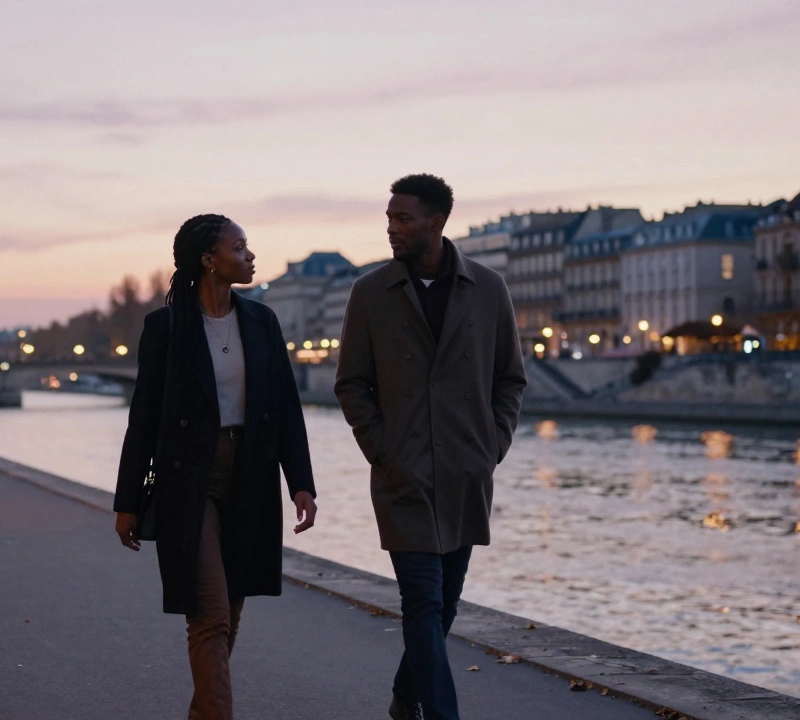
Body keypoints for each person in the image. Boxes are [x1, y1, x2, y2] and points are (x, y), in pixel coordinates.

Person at [334, 174, 527, 720]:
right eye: (389, 218)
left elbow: (509, 379)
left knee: (442, 607)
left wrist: (491, 446)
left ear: (437, 222)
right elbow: (351, 383)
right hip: (404, 474)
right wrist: (383, 449)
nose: (391, 228)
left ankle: (403, 698)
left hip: (466, 473)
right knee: (420, 602)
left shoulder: (488, 290)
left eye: (403, 219)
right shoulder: (371, 293)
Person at [113, 214, 318, 720]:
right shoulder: (166, 327)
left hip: (250, 474)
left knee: (231, 613)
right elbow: (145, 416)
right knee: (208, 615)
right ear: (210, 259)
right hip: (189, 482)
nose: (250, 256)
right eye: (240, 248)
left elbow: (286, 408)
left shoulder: (261, 322)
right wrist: (127, 501)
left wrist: (302, 485)